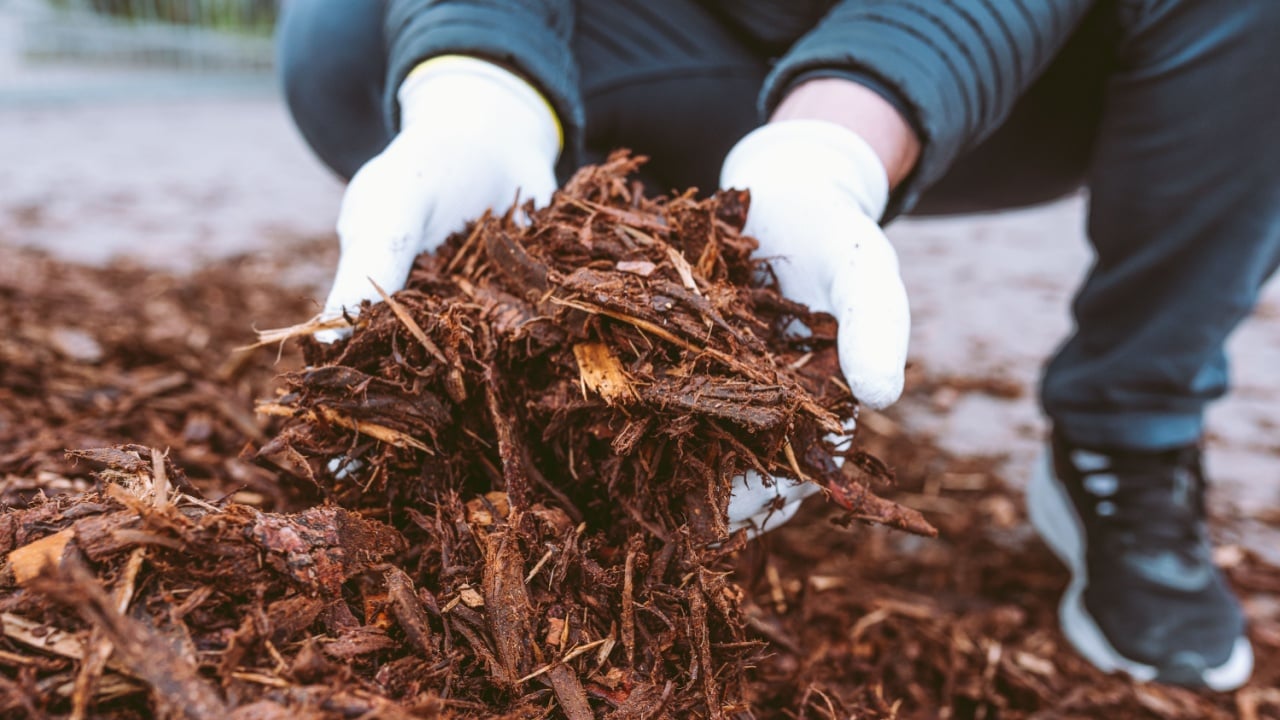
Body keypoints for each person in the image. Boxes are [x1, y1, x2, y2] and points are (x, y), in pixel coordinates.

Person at [275, 0, 1279, 691]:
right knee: (348, 33)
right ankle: (558, 175)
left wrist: (837, 137)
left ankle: (1127, 431)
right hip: (660, 33)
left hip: (1018, 58)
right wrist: (476, 77)